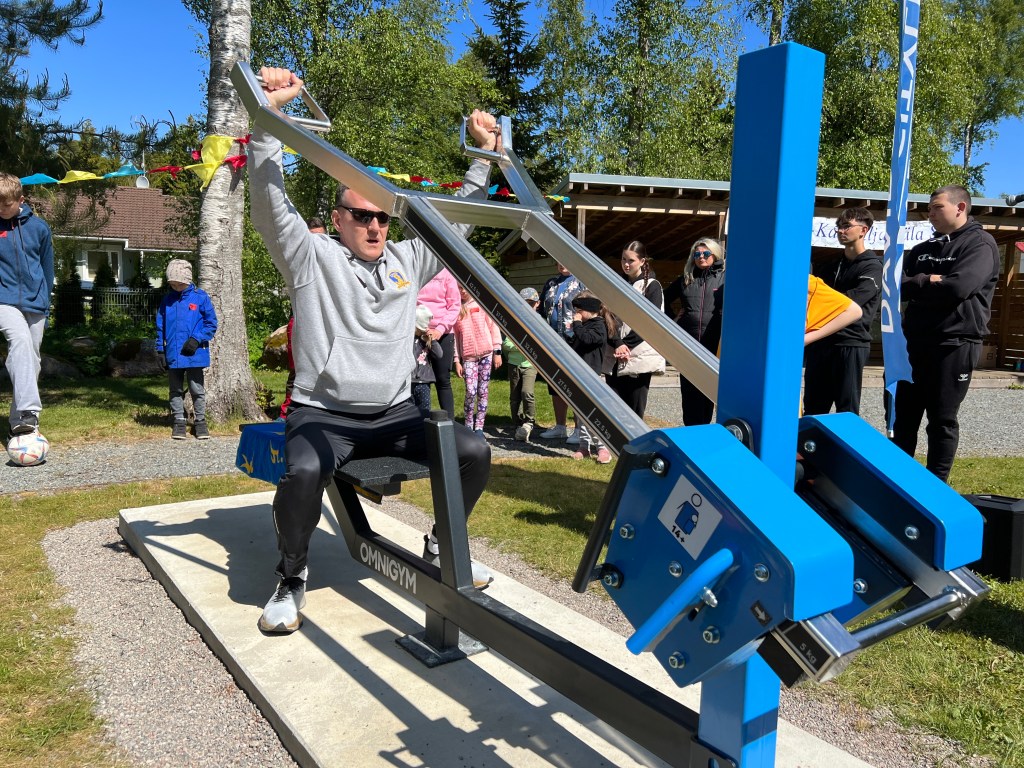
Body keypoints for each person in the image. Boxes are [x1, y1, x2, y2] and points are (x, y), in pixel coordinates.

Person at [249, 67, 497, 632]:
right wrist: (269, 120)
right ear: (339, 220)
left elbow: (457, 222)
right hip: (324, 415)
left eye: (382, 216)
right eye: (362, 215)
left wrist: (483, 156)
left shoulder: (407, 260)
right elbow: (269, 202)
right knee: (302, 473)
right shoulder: (312, 258)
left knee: (474, 451)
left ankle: (444, 545)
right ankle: (291, 576)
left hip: (394, 415)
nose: (375, 226)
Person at [892, 184, 1000, 482]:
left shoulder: (980, 244)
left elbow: (959, 288)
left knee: (941, 420)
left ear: (960, 207)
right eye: (929, 208)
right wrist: (929, 280)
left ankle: (935, 487)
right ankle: (899, 482)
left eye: (937, 207)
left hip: (954, 343)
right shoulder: (922, 250)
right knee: (904, 418)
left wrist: (921, 284)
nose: (930, 214)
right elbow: (897, 286)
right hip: (914, 344)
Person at [803, 208, 882, 416]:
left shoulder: (873, 267)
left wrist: (826, 302)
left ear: (864, 230)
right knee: (813, 407)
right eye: (839, 226)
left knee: (846, 410)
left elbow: (850, 302)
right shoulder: (830, 265)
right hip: (820, 343)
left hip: (850, 343)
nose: (840, 231)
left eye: (847, 226)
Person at [0, 173, 53, 442]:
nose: (0, 209)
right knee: (19, 340)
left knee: (31, 360)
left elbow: (47, 268)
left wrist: (46, 306)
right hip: (4, 300)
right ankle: (29, 411)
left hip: (36, 302)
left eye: (5, 204)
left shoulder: (39, 228)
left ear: (20, 200)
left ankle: (19, 424)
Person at [663, 238, 726, 426]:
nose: (701, 257)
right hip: (689, 342)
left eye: (705, 253)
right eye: (697, 254)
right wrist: (674, 321)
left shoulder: (725, 278)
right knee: (689, 389)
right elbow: (662, 298)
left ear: (715, 255)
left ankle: (706, 429)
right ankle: (691, 429)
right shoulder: (686, 278)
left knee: (710, 388)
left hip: (714, 342)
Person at [156, 260, 218, 439]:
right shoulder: (167, 300)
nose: (176, 287)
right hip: (173, 353)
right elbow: (160, 326)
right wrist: (160, 350)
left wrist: (196, 339)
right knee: (175, 389)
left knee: (196, 389)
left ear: (188, 280)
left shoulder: (200, 298)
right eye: (172, 284)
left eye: (179, 284)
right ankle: (179, 421)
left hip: (194, 353)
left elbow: (211, 323)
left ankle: (200, 422)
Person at [607, 241, 664, 418]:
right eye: (623, 259)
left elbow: (650, 322)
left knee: (634, 409)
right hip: (615, 352)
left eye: (631, 260)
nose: (626, 264)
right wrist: (617, 342)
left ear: (642, 261)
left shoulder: (652, 286)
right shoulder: (616, 284)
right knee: (614, 408)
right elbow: (607, 316)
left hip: (638, 353)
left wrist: (627, 345)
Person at [280, 216, 329, 420]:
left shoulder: (337, 260)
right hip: (301, 320)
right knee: (298, 369)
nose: (317, 243)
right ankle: (287, 414)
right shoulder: (297, 260)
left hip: (328, 322)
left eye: (321, 237)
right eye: (312, 238)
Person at [538, 262, 586, 443]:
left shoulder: (581, 283)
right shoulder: (551, 283)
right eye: (558, 261)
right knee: (556, 383)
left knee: (575, 384)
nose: (562, 265)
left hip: (574, 340)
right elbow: (541, 310)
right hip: (552, 340)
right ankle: (560, 427)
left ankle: (580, 429)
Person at [567, 292, 613, 464]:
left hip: (592, 375)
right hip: (580, 374)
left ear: (588, 309)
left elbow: (587, 339)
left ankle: (602, 447)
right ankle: (583, 447)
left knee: (593, 414)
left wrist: (577, 324)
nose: (576, 314)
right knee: (580, 414)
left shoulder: (599, 326)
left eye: (579, 311)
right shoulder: (585, 325)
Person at [453, 285, 502, 436]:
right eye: (459, 288)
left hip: (486, 354)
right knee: (470, 390)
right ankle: (468, 425)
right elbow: (455, 338)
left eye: (464, 288)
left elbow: (493, 327)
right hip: (468, 357)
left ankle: (479, 427)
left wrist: (497, 350)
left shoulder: (481, 304)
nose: (462, 291)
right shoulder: (457, 309)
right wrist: (456, 360)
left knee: (482, 391)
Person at [416, 268, 461, 420]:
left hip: (443, 333)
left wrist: (439, 330)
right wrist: (419, 328)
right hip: (418, 331)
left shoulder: (447, 273)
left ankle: (449, 424)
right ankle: (418, 421)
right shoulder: (417, 269)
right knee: (418, 379)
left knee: (443, 380)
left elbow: (455, 306)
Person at [505, 287, 540, 441]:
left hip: (530, 364)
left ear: (537, 304)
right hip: (513, 363)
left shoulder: (539, 322)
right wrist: (520, 346)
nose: (527, 306)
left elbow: (538, 345)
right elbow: (506, 343)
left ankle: (529, 421)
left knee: (527, 392)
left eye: (531, 303)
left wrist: (520, 345)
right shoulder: (514, 320)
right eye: (524, 303)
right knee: (514, 396)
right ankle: (517, 422)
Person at [412, 305, 443, 417]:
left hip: (424, 382)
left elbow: (439, 355)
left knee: (424, 411)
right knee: (408, 411)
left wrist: (432, 340)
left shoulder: (425, 340)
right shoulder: (407, 339)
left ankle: (424, 427)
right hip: (408, 382)